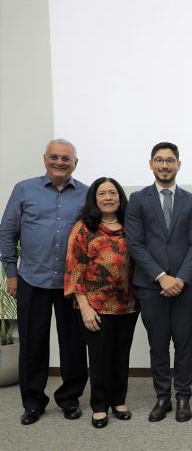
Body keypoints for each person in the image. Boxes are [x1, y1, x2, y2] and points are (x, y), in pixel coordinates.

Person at [0, 139, 88, 425]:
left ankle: (70, 398)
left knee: (73, 344)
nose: (60, 162)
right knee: (33, 344)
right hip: (31, 280)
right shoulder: (24, 189)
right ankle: (33, 402)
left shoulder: (86, 194)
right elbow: (7, 232)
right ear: (44, 159)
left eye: (66, 158)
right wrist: (11, 273)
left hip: (71, 283)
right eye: (54, 157)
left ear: (76, 162)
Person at [125, 142, 192, 423]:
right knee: (158, 344)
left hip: (184, 287)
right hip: (150, 286)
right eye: (159, 160)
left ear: (179, 165)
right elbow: (135, 243)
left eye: (170, 160)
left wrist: (179, 278)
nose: (165, 165)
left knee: (184, 344)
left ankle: (183, 397)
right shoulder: (137, 199)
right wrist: (161, 276)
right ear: (151, 164)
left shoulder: (191, 201)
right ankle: (162, 397)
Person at [64, 177, 138, 428]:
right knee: (99, 356)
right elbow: (74, 269)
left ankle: (118, 400)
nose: (108, 197)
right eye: (102, 193)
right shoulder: (83, 228)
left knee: (121, 353)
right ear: (94, 199)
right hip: (94, 305)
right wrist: (84, 306)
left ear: (120, 197)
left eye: (113, 193)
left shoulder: (131, 226)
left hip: (128, 304)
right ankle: (99, 405)